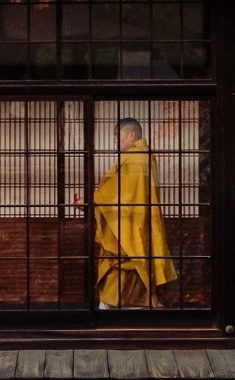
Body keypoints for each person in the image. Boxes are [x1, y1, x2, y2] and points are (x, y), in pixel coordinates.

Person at [74, 116, 177, 309]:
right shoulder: (142, 157)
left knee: (126, 263)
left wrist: (91, 199)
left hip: (128, 225)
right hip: (133, 222)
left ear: (131, 135)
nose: (115, 140)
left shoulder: (137, 159)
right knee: (136, 265)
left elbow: (119, 191)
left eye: (117, 135)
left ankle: (116, 311)